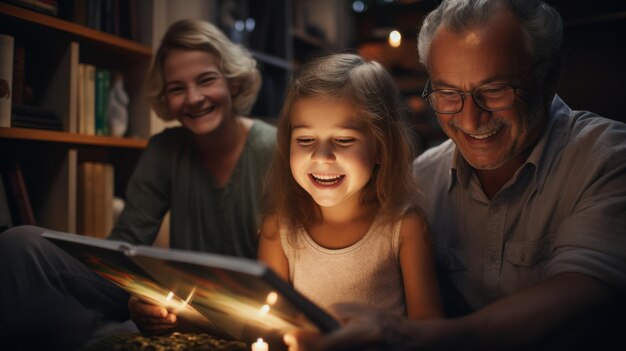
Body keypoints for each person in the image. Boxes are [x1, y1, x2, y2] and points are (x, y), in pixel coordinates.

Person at [283, 1, 626, 350]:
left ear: (549, 76)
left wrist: (406, 334)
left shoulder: (609, 159)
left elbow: (582, 292)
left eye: (494, 91)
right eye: (448, 94)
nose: (471, 120)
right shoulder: (421, 179)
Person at [0, 19, 276, 350]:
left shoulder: (272, 148)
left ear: (232, 82)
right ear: (165, 97)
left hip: (245, 310)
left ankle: (109, 334)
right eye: (177, 88)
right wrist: (137, 295)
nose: (193, 98)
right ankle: (113, 332)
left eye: (206, 80)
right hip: (173, 296)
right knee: (22, 244)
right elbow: (126, 245)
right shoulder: (164, 148)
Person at [257, 53, 443, 321]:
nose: (321, 156)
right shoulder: (279, 229)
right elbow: (271, 323)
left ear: (381, 148)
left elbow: (428, 328)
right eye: (306, 139)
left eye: (344, 140)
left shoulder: (405, 228)